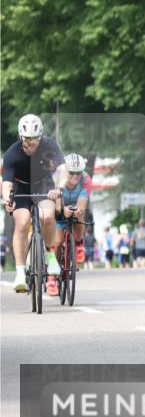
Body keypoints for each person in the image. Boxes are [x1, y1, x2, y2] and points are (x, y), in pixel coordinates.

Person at [2, 114, 67, 295]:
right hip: (20, 186)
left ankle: (50, 255)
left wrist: (59, 188)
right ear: (21, 137)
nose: (31, 143)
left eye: (35, 139)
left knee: (47, 216)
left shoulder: (50, 145)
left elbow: (63, 170)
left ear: (41, 136)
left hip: (43, 184)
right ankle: (21, 274)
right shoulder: (12, 153)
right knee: (22, 221)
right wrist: (8, 199)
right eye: (27, 139)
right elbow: (6, 183)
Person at [54, 154, 91, 268]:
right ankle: (55, 267)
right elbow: (56, 203)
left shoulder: (86, 180)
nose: (75, 176)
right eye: (71, 172)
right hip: (60, 205)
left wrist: (77, 211)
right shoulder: (57, 178)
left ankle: (78, 244)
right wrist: (62, 210)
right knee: (58, 242)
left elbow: (81, 205)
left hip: (76, 203)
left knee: (80, 214)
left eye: (78, 173)